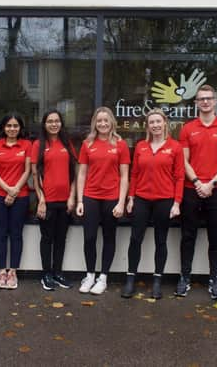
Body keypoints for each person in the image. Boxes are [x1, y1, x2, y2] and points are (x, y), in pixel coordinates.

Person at [175, 84, 217, 300]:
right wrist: (199, 182)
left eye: (209, 98)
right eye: (201, 99)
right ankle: (184, 278)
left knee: (214, 238)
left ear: (215, 101)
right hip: (192, 189)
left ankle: (214, 280)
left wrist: (212, 183)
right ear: (196, 103)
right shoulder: (188, 129)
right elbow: (183, 160)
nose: (206, 102)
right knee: (187, 236)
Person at [122, 109, 184, 300]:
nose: (155, 125)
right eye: (152, 122)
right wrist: (131, 198)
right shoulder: (141, 146)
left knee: (161, 240)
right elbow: (134, 174)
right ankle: (130, 279)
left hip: (164, 200)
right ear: (147, 126)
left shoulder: (175, 147)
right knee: (135, 239)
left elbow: (180, 176)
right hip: (141, 198)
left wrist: (177, 203)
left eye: (158, 121)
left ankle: (157, 281)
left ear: (165, 123)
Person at [76, 107, 130, 295]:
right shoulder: (87, 144)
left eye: (106, 120)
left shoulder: (120, 144)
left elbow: (124, 176)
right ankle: (90, 275)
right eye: (99, 121)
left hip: (112, 197)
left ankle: (103, 277)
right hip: (91, 197)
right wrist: (80, 200)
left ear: (112, 122)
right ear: (94, 123)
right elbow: (82, 173)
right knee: (89, 238)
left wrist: (121, 202)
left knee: (109, 237)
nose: (103, 124)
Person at [32, 110, 78, 291]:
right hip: (47, 201)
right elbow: (35, 176)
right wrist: (41, 199)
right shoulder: (38, 145)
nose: (54, 124)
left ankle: (58, 273)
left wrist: (72, 196)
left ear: (61, 123)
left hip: (65, 201)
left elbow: (74, 172)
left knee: (61, 238)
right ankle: (46, 274)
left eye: (57, 121)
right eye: (50, 121)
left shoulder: (67, 143)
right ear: (44, 124)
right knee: (47, 238)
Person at [0, 113, 32, 289]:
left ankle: (13, 272)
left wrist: (14, 192)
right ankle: (1, 272)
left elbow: (27, 171)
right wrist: (8, 189)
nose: (12, 129)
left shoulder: (27, 145)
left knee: (16, 234)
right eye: (9, 126)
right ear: (3, 128)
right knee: (1, 234)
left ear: (20, 128)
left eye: (15, 126)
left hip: (20, 197)